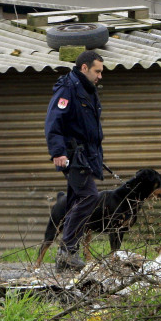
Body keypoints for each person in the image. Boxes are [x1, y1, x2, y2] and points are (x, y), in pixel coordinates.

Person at [44, 50, 105, 271]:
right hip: (72, 156)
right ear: (84, 68)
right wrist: (58, 152)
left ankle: (65, 259)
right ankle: (67, 249)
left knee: (74, 201)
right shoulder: (68, 89)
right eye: (97, 71)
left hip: (85, 155)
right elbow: (54, 122)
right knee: (90, 197)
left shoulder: (88, 90)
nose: (100, 76)